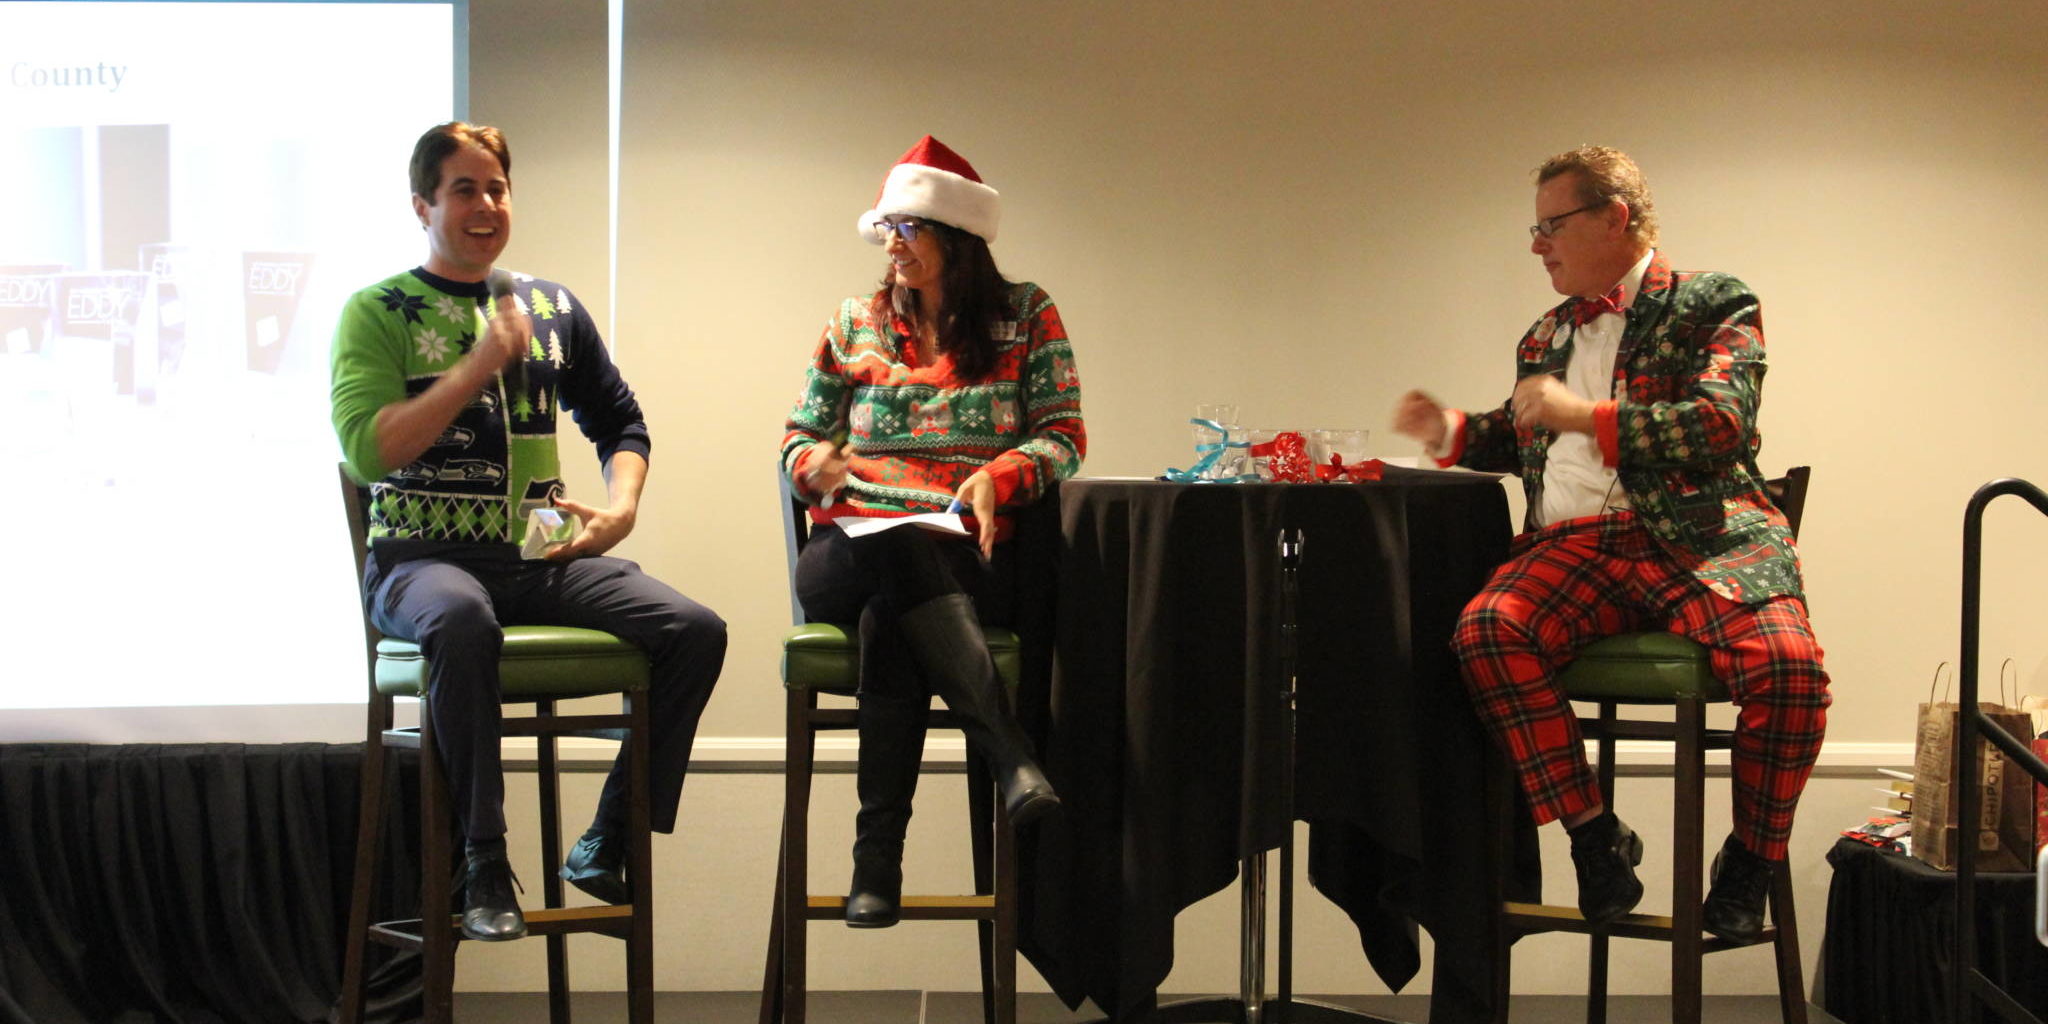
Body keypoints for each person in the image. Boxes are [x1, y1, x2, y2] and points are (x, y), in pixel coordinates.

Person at [1391, 146, 1830, 944]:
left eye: (1551, 224)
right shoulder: (1547, 333)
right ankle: (1595, 837)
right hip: (1577, 547)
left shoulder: (1712, 302)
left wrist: (1584, 417)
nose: (1537, 244)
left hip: (1699, 541)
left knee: (1790, 671)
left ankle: (1751, 861)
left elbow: (1718, 424)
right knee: (1487, 633)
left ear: (1614, 217)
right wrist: (1457, 431)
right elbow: (1529, 430)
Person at [330, 122, 727, 942]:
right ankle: (480, 863)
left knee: (695, 631)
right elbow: (370, 452)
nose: (485, 205)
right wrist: (474, 366)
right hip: (421, 560)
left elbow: (622, 423)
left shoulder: (551, 307)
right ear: (422, 205)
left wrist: (622, 507)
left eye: (497, 188)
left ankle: (605, 839)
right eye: (464, 190)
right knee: (463, 621)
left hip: (542, 554)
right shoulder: (377, 311)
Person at [780, 135, 1085, 928]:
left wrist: (998, 476)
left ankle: (876, 861)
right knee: (892, 541)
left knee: (897, 610)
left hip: (972, 553)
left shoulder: (1026, 314)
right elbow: (797, 435)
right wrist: (816, 464)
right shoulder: (853, 323)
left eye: (908, 230)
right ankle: (1010, 752)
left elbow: (1063, 436)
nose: (891, 245)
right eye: (886, 230)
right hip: (847, 546)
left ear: (957, 239)